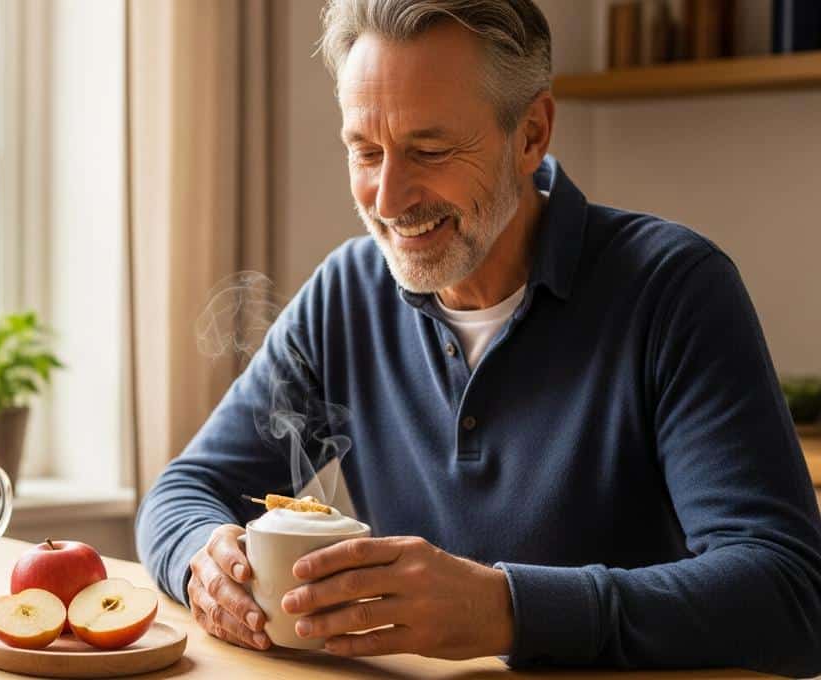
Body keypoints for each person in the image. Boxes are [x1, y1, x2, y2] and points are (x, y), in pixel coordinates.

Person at [135, 0, 821, 675]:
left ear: (531, 135)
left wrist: (508, 609)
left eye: (429, 150)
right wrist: (204, 562)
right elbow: (184, 492)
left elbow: (789, 591)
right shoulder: (346, 292)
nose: (387, 199)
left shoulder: (673, 289)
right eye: (365, 151)